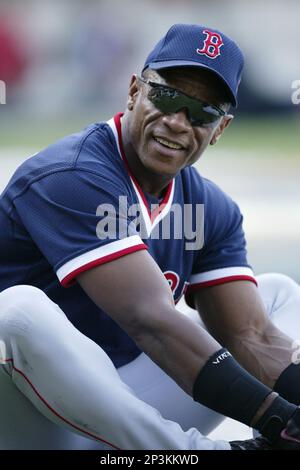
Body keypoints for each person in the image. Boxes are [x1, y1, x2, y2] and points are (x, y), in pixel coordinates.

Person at [0, 23, 300, 451]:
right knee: (17, 310)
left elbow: (252, 337)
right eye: (166, 96)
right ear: (134, 90)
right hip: (24, 417)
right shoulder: (70, 174)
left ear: (220, 129)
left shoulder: (212, 209)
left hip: (119, 413)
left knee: (275, 295)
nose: (177, 122)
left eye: (202, 112)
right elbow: (150, 321)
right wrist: (278, 416)